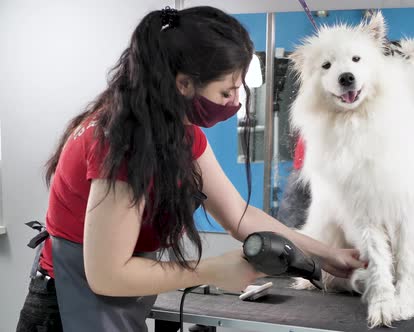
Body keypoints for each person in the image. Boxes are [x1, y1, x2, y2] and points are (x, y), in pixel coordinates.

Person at [16, 6, 364, 332]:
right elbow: (107, 275)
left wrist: (327, 255)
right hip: (63, 310)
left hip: (113, 301)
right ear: (184, 84)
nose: (236, 101)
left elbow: (240, 216)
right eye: (226, 91)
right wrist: (213, 269)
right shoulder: (122, 142)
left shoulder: (179, 132)